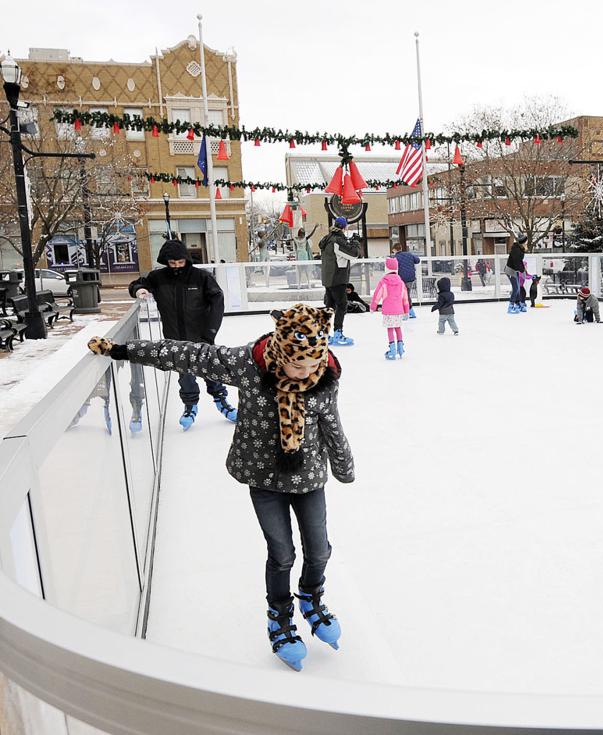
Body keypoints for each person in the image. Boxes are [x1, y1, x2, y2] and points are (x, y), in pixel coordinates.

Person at [87, 304, 354, 672]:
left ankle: (311, 597)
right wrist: (123, 350)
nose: (305, 374)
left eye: (311, 366)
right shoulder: (248, 365)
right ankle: (279, 616)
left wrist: (343, 465)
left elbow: (331, 424)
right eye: (297, 366)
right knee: (282, 554)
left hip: (309, 478)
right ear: (280, 350)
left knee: (319, 550)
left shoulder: (324, 376)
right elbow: (188, 355)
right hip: (263, 479)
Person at [128, 238, 236, 430]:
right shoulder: (158, 277)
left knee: (211, 369)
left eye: (180, 262)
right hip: (175, 339)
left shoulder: (201, 277)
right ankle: (190, 406)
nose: (177, 266)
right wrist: (140, 289)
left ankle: (222, 401)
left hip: (201, 337)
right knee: (185, 375)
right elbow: (137, 284)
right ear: (166, 262)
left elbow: (217, 301)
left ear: (186, 259)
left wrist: (210, 331)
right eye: (172, 263)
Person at [318, 217, 360, 347]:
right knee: (342, 306)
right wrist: (356, 242)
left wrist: (349, 242)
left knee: (329, 307)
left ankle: (323, 334)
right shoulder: (337, 240)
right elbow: (354, 254)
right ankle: (338, 333)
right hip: (337, 278)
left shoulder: (327, 239)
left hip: (328, 278)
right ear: (344, 227)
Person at [370, 257, 411, 360]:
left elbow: (377, 295)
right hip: (399, 311)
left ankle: (392, 350)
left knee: (390, 329)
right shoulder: (401, 282)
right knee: (398, 328)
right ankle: (400, 348)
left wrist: (373, 306)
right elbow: (405, 298)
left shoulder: (384, 281)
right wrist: (406, 310)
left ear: (386, 268)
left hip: (388, 311)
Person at [391, 243, 421, 319]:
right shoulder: (409, 254)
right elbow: (417, 260)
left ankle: (408, 312)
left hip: (402, 279)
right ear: (401, 248)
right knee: (407, 294)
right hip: (411, 278)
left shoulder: (395, 258)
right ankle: (409, 311)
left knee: (404, 295)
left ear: (394, 250)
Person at [505, 236, 527, 314]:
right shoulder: (516, 250)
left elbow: (520, 261)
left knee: (518, 288)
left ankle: (518, 304)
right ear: (523, 242)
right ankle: (510, 307)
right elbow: (517, 262)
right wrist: (522, 271)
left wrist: (523, 270)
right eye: (526, 242)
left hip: (515, 270)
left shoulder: (520, 249)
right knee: (516, 288)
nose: (527, 243)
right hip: (511, 271)